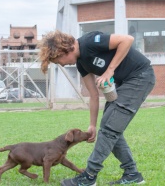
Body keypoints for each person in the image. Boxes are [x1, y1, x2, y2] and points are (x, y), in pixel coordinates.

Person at [39, 30, 155, 185]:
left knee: (110, 128)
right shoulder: (81, 64)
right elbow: (93, 95)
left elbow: (127, 39)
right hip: (124, 83)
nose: (61, 64)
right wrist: (92, 125)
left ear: (64, 50)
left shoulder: (90, 42)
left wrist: (109, 71)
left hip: (140, 76)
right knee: (110, 126)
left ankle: (89, 176)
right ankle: (132, 174)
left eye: (58, 60)